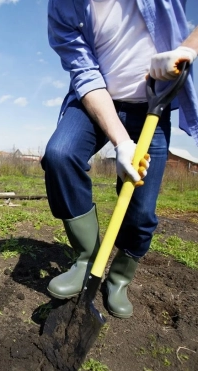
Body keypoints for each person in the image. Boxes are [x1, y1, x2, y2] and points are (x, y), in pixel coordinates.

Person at [41, 0, 198, 319]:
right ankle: (86, 259)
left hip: (152, 107)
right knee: (60, 155)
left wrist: (188, 49)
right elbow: (84, 74)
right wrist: (122, 142)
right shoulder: (62, 7)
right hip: (95, 103)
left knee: (141, 209)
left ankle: (119, 279)